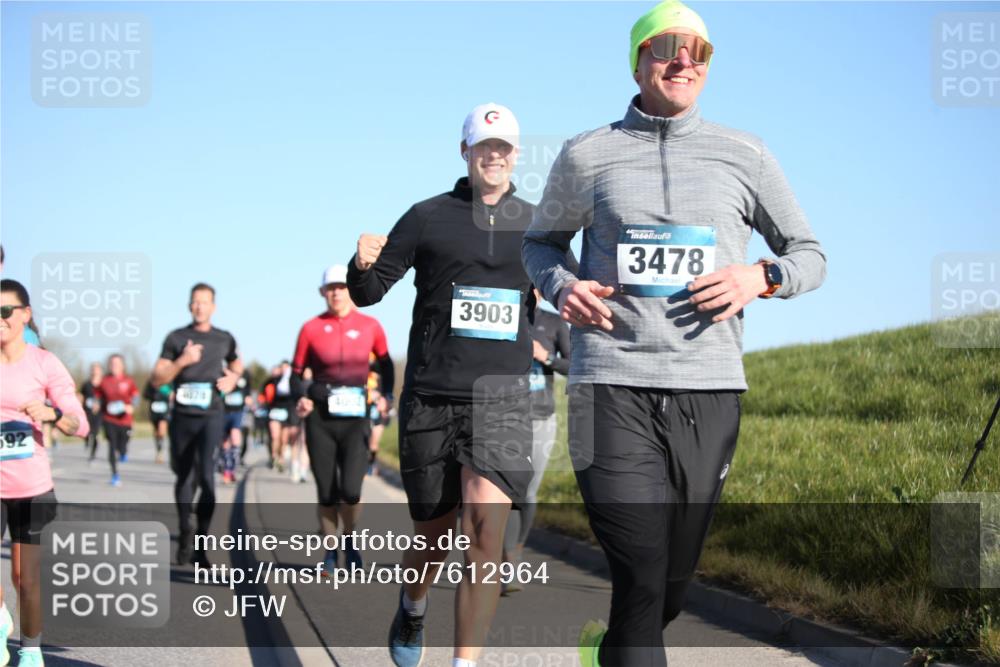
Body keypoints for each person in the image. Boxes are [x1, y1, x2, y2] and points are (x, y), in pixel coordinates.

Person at [522, 2, 828, 664]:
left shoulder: (745, 154)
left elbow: (810, 254)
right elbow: (539, 246)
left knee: (668, 585)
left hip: (708, 389)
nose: (683, 60)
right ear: (638, 60)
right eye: (666, 47)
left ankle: (612, 649)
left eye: (700, 51)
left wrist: (761, 278)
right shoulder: (586, 154)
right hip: (607, 384)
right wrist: (563, 286)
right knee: (640, 560)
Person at [348, 103, 551, 667]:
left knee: (485, 533)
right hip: (432, 396)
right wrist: (360, 263)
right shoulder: (427, 216)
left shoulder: (538, 224)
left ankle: (465, 663)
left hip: (503, 399)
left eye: (504, 147)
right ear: (465, 151)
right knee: (433, 535)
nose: (495, 155)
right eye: (484, 145)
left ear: (516, 155)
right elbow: (368, 294)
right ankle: (413, 605)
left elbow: (566, 289)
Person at [1, 279, 89, 667]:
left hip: (31, 488)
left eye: (6, 312)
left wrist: (52, 414)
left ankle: (31, 649)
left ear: (25, 315)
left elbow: (80, 424)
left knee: (25, 577)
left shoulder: (44, 363)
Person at [294, 265, 394, 574]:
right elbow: (297, 373)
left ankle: (349, 539)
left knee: (351, 490)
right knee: (326, 491)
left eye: (342, 286)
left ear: (350, 289)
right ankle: (329, 550)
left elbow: (387, 365)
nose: (337, 292)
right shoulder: (310, 328)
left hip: (355, 418)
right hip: (321, 419)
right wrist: (304, 396)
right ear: (322, 292)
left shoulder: (370, 325)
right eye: (331, 287)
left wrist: (385, 397)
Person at [151, 283, 242, 566]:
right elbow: (157, 378)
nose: (200, 306)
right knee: (185, 476)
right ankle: (185, 529)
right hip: (183, 416)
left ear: (213, 307)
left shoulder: (224, 338)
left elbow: (238, 364)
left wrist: (233, 378)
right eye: (195, 302)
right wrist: (183, 361)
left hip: (212, 414)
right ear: (189, 306)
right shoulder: (177, 337)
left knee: (207, 477)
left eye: (205, 302)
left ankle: (201, 543)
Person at [501, 288, 570, 595]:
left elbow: (576, 364)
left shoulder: (554, 323)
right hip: (502, 416)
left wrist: (546, 357)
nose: (530, 291)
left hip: (541, 417)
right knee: (504, 490)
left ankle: (512, 554)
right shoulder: (503, 316)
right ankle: (501, 561)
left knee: (527, 491)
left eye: (535, 285)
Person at [96, 354, 139, 486]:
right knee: (112, 446)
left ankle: (123, 451)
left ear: (122, 365)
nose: (114, 366)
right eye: (112, 363)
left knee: (123, 445)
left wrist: (132, 406)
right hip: (109, 419)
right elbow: (97, 396)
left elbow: (136, 396)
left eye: (117, 363)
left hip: (125, 420)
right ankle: (115, 474)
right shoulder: (104, 381)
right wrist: (96, 404)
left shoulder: (129, 381)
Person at [263, 362, 301, 473]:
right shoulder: (273, 381)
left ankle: (281, 458)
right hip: (274, 411)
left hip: (287, 412)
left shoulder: (292, 381)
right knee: (275, 436)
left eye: (286, 367)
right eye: (282, 367)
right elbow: (265, 393)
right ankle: (274, 456)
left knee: (284, 439)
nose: (284, 370)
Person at [220, 370, 251, 484]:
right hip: (224, 410)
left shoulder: (245, 374)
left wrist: (248, 397)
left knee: (235, 436)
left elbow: (247, 389)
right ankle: (226, 468)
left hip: (238, 411)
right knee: (225, 441)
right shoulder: (221, 371)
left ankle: (232, 468)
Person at [143, 379, 172, 464]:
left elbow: (174, 394)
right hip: (154, 410)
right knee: (156, 432)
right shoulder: (151, 382)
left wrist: (169, 395)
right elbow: (145, 395)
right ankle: (159, 450)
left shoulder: (169, 382)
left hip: (165, 410)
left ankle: (160, 451)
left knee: (161, 431)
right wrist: (153, 392)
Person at [80, 362, 104, 463]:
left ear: (100, 371)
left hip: (99, 414)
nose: (95, 371)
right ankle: (86, 441)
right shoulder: (86, 384)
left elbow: (107, 397)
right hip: (87, 412)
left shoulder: (103, 384)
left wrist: (99, 405)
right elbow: (81, 396)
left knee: (95, 434)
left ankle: (93, 454)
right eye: (93, 369)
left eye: (96, 369)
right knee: (87, 431)